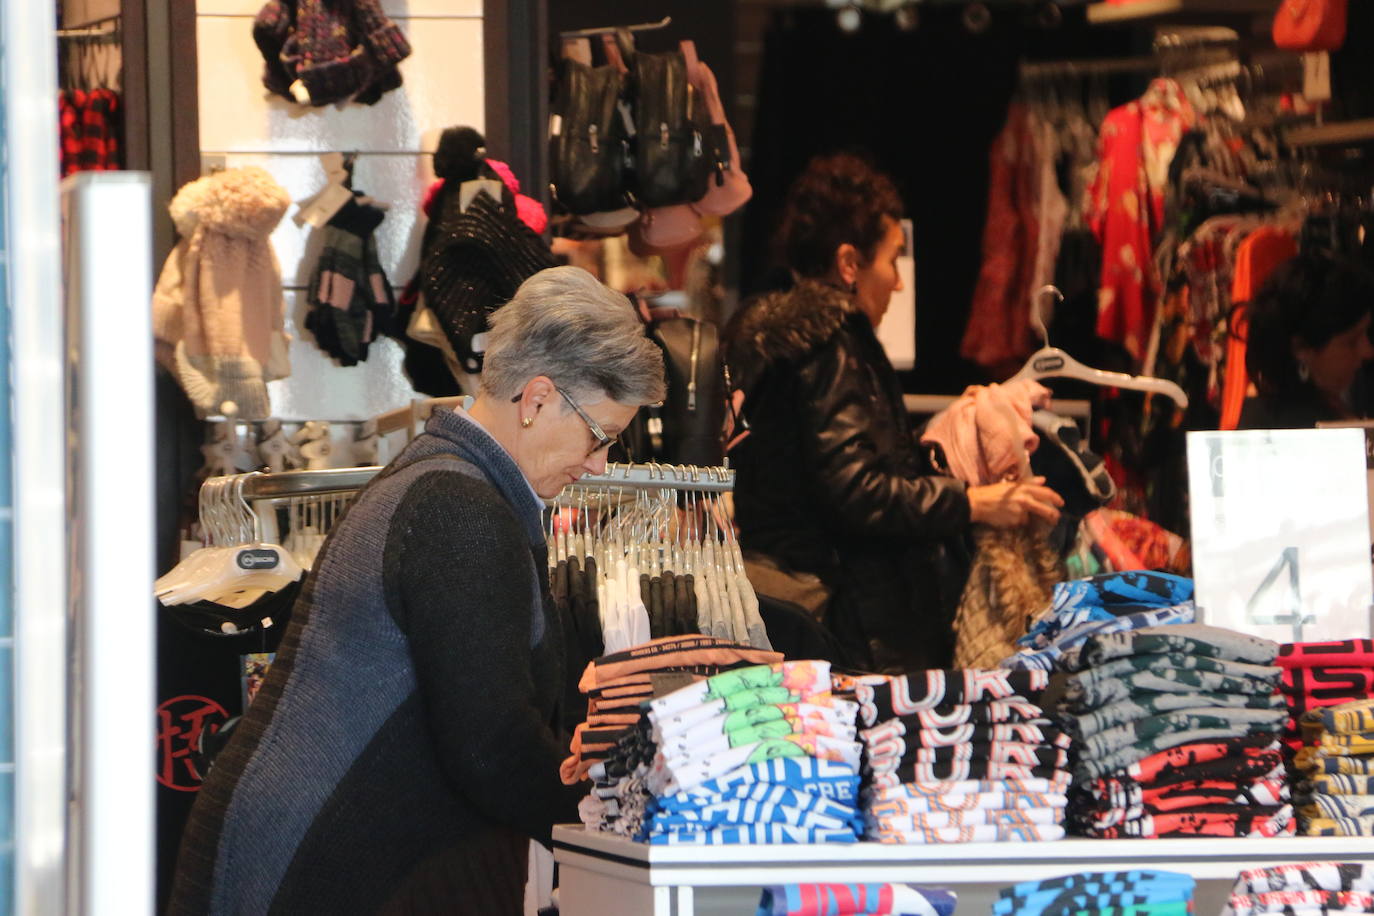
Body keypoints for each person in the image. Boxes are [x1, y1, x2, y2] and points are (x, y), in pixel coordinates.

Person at [168, 266, 665, 915]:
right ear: (538, 398)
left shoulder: (445, 480)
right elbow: (489, 745)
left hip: (299, 852)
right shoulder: (459, 510)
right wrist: (616, 834)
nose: (599, 463)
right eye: (600, 435)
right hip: (304, 867)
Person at [725, 153, 1062, 674]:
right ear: (849, 264)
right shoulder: (832, 344)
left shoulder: (785, 341)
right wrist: (975, 502)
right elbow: (856, 493)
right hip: (845, 618)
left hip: (803, 602)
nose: (899, 282)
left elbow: (831, 475)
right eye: (893, 260)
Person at [1239, 251, 1374, 429]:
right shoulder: (1297, 429)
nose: (1368, 351)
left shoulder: (1271, 403)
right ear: (1301, 349)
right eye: (1351, 342)